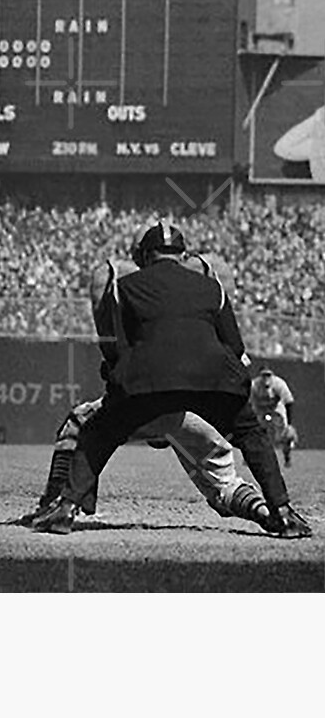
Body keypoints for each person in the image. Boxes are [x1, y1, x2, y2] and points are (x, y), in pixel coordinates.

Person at [33, 222, 311, 539]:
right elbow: (234, 347)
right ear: (183, 255)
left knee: (94, 430)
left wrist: (117, 392)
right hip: (213, 391)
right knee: (248, 441)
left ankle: (63, 508)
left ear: (146, 255)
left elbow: (115, 350)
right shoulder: (212, 285)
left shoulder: (123, 285)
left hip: (148, 391)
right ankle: (281, 511)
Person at [251, 367, 297, 467]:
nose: (266, 378)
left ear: (272, 375)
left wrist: (289, 424)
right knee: (254, 433)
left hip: (276, 410)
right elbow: (249, 402)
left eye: (268, 375)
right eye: (264, 375)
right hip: (261, 410)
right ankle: (251, 457)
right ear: (260, 376)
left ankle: (287, 457)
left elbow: (289, 402)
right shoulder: (254, 385)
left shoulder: (279, 384)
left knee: (286, 435)